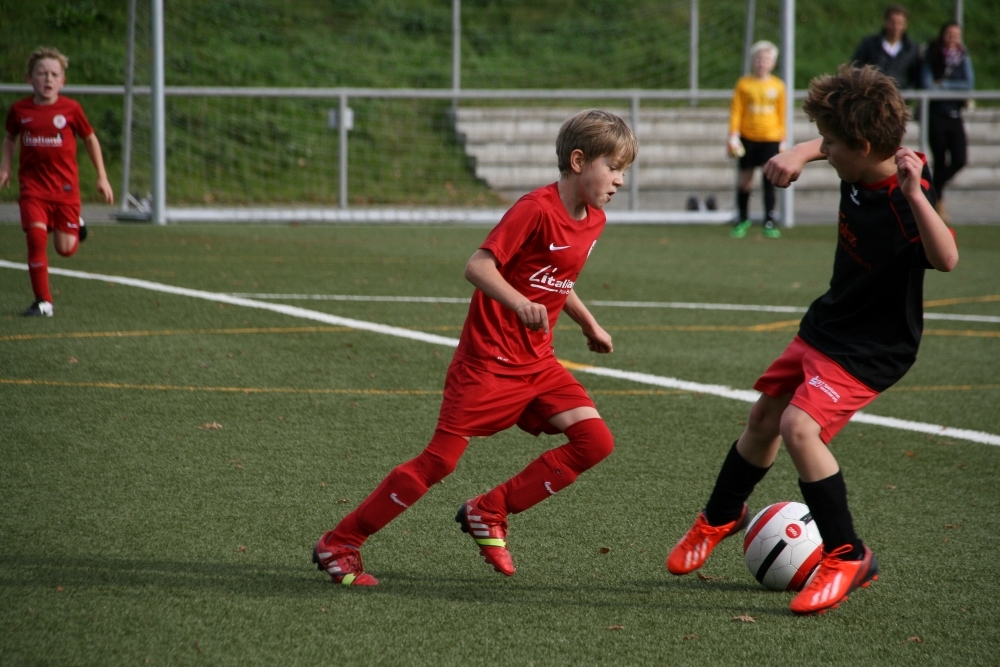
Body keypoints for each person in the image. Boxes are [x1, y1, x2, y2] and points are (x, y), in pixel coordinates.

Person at [665, 65, 958, 615]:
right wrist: (800, 153)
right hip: (829, 323)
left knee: (799, 428)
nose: (825, 149)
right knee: (764, 417)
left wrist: (916, 196)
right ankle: (720, 517)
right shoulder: (860, 157)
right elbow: (833, 144)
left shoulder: (905, 192)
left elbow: (946, 258)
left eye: (829, 143)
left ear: (862, 147)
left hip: (872, 347)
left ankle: (848, 555)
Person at [313, 109, 638, 586]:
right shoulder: (535, 208)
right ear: (577, 161)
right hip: (487, 361)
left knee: (595, 441)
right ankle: (341, 542)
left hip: (538, 363)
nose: (620, 181)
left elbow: (557, 278)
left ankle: (490, 510)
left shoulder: (594, 220)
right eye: (613, 167)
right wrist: (518, 302)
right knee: (439, 461)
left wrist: (590, 325)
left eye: (624, 171)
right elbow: (478, 266)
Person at [0, 47, 114, 317]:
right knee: (36, 237)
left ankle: (77, 224)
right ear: (29, 78)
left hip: (65, 190)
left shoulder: (71, 109)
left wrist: (102, 176)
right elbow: (10, 138)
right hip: (33, 188)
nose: (48, 79)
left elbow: (90, 139)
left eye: (54, 74)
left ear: (63, 81)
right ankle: (43, 302)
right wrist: (5, 167)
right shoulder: (19, 110)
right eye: (41, 73)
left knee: (65, 250)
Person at [727, 40, 786, 239]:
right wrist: (733, 135)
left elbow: (782, 114)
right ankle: (743, 219)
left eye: (766, 59)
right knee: (745, 181)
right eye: (759, 58)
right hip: (748, 138)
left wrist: (783, 139)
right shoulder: (744, 84)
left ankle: (769, 221)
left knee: (769, 180)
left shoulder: (778, 86)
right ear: (753, 61)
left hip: (770, 138)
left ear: (773, 63)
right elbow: (736, 110)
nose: (762, 62)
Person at [921, 21, 974, 224]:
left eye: (956, 35)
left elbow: (968, 84)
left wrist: (944, 84)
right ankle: (937, 202)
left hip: (954, 113)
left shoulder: (962, 56)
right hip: (936, 115)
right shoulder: (932, 55)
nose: (953, 38)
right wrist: (950, 87)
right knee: (940, 159)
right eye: (949, 34)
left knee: (960, 159)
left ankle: (932, 190)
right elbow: (927, 84)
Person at [851, 5, 921, 90]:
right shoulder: (870, 44)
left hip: (900, 94)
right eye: (892, 22)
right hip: (872, 93)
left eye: (899, 23)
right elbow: (856, 67)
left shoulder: (911, 49)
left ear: (905, 25)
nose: (895, 27)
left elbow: (916, 78)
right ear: (885, 22)